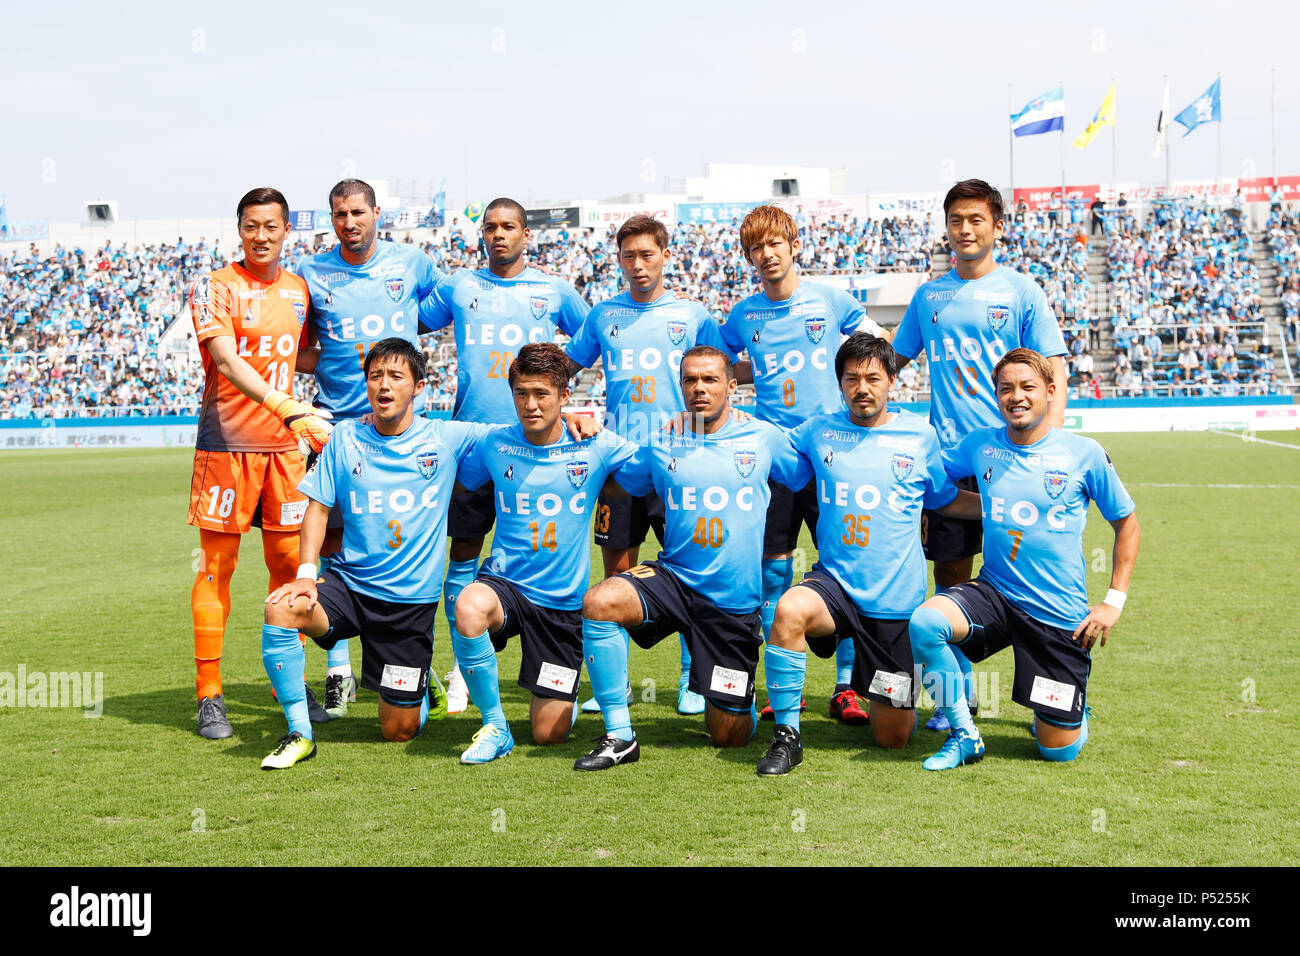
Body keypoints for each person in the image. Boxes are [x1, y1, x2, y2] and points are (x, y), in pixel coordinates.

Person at [574, 346, 808, 771]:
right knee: (600, 602)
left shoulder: (763, 437)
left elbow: (805, 473)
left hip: (731, 606)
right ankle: (620, 736)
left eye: (710, 379)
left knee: (729, 736)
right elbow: (622, 467)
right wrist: (582, 425)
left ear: (732, 386)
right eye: (690, 380)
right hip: (674, 582)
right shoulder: (663, 438)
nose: (699, 388)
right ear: (680, 386)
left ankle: (740, 694)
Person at [757, 333, 981, 774]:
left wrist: (998, 508)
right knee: (788, 609)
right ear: (839, 383)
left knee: (893, 738)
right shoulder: (817, 430)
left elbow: (943, 499)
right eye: (852, 378)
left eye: (873, 378)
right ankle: (787, 737)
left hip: (895, 605)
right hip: (835, 586)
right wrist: (697, 423)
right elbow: (762, 444)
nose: (862, 387)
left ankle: (906, 692)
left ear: (892, 380)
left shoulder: (919, 437)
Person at [892, 179, 1069, 731]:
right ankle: (958, 701)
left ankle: (1048, 683)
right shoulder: (929, 296)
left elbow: (1054, 369)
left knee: (1021, 577)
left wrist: (1049, 446)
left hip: (1012, 463)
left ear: (996, 226)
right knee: (949, 579)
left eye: (976, 220)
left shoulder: (1021, 291)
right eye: (956, 220)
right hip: (947, 463)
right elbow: (891, 363)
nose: (965, 230)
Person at [907, 348, 1140, 770]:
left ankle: (1068, 706)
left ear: (1050, 392)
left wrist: (1113, 602)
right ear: (996, 396)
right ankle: (964, 735)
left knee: (1058, 751)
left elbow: (1128, 525)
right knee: (926, 622)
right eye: (1006, 388)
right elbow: (937, 484)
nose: (1017, 396)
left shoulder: (1083, 454)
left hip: (1055, 612)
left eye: (1028, 387)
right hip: (995, 592)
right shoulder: (980, 445)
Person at [258, 338, 481, 768]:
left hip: (407, 605)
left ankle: (420, 684)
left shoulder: (447, 438)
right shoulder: (345, 437)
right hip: (350, 587)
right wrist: (306, 574)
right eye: (375, 375)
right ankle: (299, 733)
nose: (384, 385)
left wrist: (568, 420)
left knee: (397, 732)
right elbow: (318, 507)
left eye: (396, 376)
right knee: (281, 609)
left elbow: (518, 432)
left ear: (418, 386)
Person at [422, 197, 590, 713]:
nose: (498, 234)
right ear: (481, 235)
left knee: (551, 556)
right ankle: (461, 669)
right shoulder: (458, 286)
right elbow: (409, 320)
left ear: (525, 234)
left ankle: (564, 664)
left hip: (539, 449)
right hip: (473, 443)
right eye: (490, 227)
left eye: (508, 226)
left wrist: (564, 402)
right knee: (463, 560)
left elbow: (588, 342)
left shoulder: (555, 289)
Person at [719, 204, 884, 725]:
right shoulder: (745, 315)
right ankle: (776, 686)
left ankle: (846, 689)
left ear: (793, 244)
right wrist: (753, 375)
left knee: (846, 570)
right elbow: (722, 363)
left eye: (774, 244)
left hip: (835, 456)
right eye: (754, 248)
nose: (765, 255)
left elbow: (877, 349)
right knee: (771, 575)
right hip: (775, 459)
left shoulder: (831, 300)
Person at [563, 214, 733, 715]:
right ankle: (613, 687)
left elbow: (718, 376)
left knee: (690, 571)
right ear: (618, 260)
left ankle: (689, 680)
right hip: (619, 464)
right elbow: (564, 370)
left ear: (665, 255)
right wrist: (570, 409)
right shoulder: (602, 316)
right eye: (628, 256)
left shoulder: (694, 314)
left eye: (647, 255)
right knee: (616, 574)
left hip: (680, 465)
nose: (637, 265)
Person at [296, 179, 445, 718]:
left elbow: (441, 312)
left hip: (402, 428)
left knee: (399, 532)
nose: (349, 221)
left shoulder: (413, 262)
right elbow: (303, 343)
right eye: (339, 214)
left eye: (357, 212)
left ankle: (416, 665)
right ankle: (339, 671)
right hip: (336, 426)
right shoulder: (313, 273)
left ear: (376, 213)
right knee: (334, 542)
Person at [186, 187, 330, 739]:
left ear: (286, 229)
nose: (262, 236)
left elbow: (308, 354)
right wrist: (287, 406)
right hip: (227, 447)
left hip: (286, 452)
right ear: (239, 228)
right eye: (252, 226)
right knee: (215, 567)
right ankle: (209, 694)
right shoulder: (216, 286)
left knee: (289, 567)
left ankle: (284, 684)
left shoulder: (298, 290)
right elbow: (225, 359)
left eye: (272, 226)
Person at [450, 343, 637, 763]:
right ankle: (495, 725)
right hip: (505, 586)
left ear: (564, 396)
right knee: (468, 606)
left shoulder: (597, 445)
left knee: (549, 733)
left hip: (561, 605)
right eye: (521, 394)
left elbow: (651, 467)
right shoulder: (494, 444)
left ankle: (559, 699)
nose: (530, 405)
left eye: (541, 394)